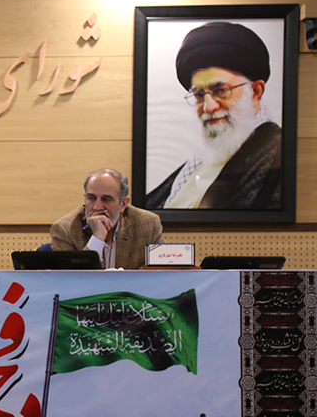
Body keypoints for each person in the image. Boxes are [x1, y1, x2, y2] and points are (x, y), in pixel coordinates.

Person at [145, 21, 282, 210]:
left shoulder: (276, 152)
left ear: (255, 91)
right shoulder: (205, 158)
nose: (209, 107)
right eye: (199, 95)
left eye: (221, 90)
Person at [51, 169, 163, 270]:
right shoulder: (65, 229)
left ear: (123, 204)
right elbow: (69, 280)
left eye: (106, 199)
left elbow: (160, 272)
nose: (97, 207)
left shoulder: (148, 224)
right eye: (91, 198)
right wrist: (97, 239)